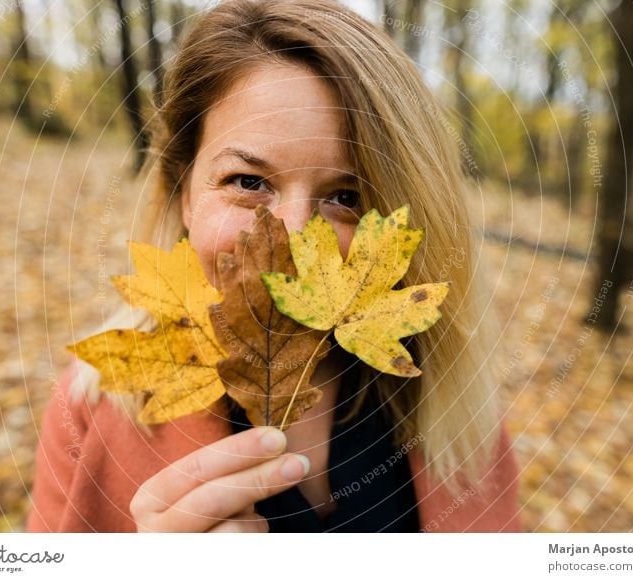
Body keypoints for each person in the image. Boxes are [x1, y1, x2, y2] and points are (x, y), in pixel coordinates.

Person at [26, 0, 522, 533]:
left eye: (346, 195)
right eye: (248, 182)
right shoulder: (91, 405)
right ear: (183, 192)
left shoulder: (459, 415)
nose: (288, 240)